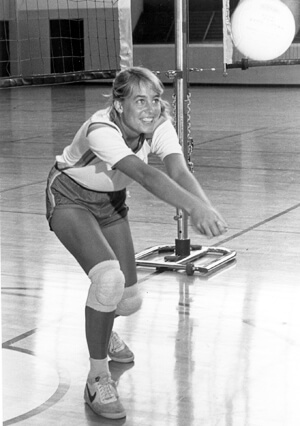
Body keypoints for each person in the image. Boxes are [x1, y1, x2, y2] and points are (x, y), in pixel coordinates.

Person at [45, 66, 228, 420]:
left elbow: (177, 169)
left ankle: (103, 326)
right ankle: (97, 377)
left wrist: (205, 207)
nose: (149, 108)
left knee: (128, 301)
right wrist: (194, 208)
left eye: (156, 99)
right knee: (108, 280)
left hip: (111, 204)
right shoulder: (102, 129)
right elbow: (145, 175)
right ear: (118, 104)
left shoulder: (158, 124)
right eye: (139, 100)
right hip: (69, 197)